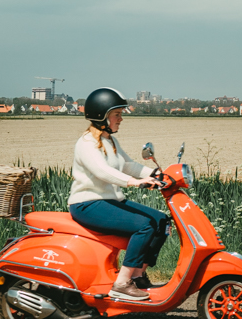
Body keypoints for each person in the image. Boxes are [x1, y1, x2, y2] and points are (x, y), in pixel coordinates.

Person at [68, 87, 169, 303]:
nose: (121, 119)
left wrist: (156, 174)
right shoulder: (86, 143)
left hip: (110, 201)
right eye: (117, 114)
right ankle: (122, 284)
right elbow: (103, 172)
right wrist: (135, 183)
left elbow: (128, 165)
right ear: (102, 116)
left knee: (161, 221)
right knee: (145, 225)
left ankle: (137, 276)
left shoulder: (110, 140)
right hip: (88, 203)